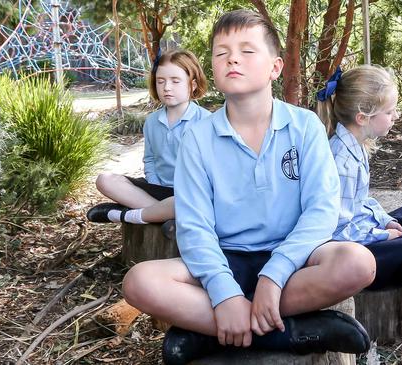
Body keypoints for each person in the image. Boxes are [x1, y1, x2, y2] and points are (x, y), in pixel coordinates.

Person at [122, 10, 377, 365]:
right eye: (221, 53)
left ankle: (210, 334)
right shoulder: (198, 137)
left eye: (246, 50)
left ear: (275, 67)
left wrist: (274, 275)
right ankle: (289, 333)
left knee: (357, 263)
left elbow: (321, 210)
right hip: (225, 257)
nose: (232, 59)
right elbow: (195, 226)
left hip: (293, 262)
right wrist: (224, 293)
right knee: (139, 281)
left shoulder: (304, 126)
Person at [317, 64, 402, 310]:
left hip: (359, 231)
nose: (397, 116)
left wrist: (384, 220)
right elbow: (336, 230)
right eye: (390, 112)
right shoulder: (341, 163)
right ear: (363, 117)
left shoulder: (355, 146)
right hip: (348, 251)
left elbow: (360, 203)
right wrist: (382, 235)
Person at [86, 49, 210, 226]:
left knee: (191, 202)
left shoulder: (205, 122)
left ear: (193, 85)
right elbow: (150, 160)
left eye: (175, 81)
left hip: (189, 193)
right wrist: (154, 184)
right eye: (161, 81)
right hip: (157, 190)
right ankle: (161, 214)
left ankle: (132, 214)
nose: (167, 87)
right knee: (104, 180)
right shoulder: (152, 121)